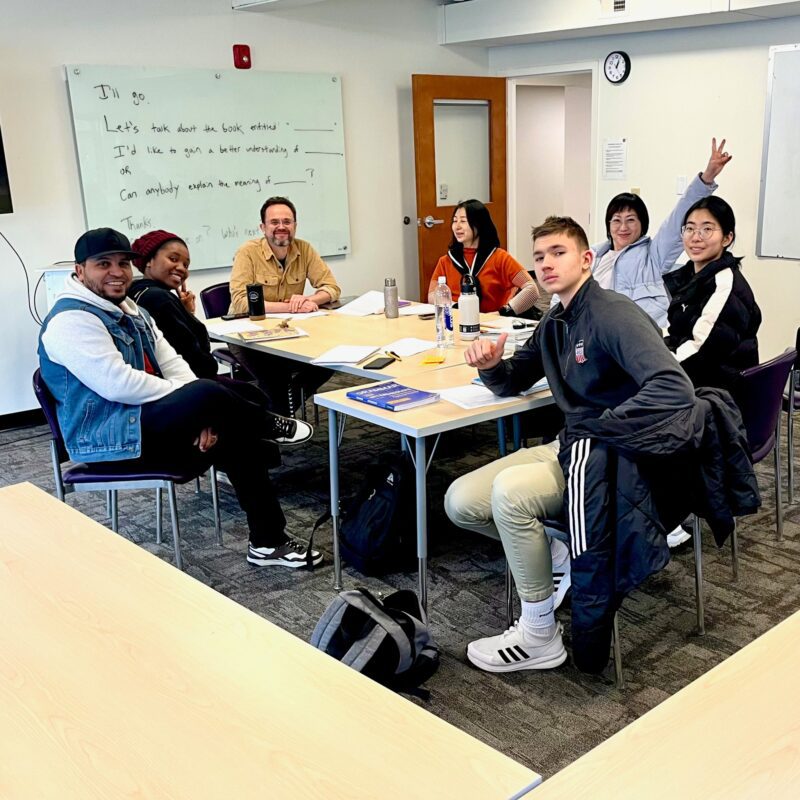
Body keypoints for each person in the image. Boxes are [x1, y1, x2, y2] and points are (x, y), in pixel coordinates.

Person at [447, 216, 698, 674]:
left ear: (586, 259)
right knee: (460, 501)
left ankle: (540, 633)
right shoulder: (555, 320)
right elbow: (512, 382)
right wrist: (490, 365)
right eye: (539, 256)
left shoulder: (611, 314)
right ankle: (555, 553)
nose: (546, 264)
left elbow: (674, 388)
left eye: (558, 253)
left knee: (511, 496)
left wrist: (606, 426)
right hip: (572, 446)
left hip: (614, 459)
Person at [38, 227, 321, 569]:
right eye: (103, 264)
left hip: (143, 423)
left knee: (236, 413)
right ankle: (267, 425)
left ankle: (267, 542)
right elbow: (119, 385)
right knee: (210, 393)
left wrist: (202, 413)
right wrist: (198, 402)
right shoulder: (71, 320)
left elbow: (175, 364)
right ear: (80, 270)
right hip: (107, 440)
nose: (116, 272)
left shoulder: (132, 311)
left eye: (123, 264)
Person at [552, 138, 733, 328]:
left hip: (641, 336)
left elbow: (678, 217)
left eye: (631, 220)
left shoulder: (653, 255)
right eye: (617, 220)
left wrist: (707, 178)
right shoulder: (593, 256)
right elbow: (563, 291)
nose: (623, 228)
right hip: (595, 334)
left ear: (642, 224)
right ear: (608, 224)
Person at [228, 196, 341, 415]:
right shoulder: (248, 252)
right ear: (263, 227)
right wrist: (289, 306)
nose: (282, 227)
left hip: (289, 331)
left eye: (287, 222)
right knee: (274, 374)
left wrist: (309, 300)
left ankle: (284, 408)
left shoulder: (305, 249)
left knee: (332, 357)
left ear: (295, 225)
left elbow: (332, 288)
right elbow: (241, 302)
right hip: (246, 334)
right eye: (274, 222)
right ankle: (278, 423)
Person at [664, 196, 761, 392]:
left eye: (707, 229)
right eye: (690, 228)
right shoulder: (691, 276)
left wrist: (655, 366)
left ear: (727, 238)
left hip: (717, 394)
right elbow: (679, 334)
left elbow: (701, 351)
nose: (696, 237)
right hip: (698, 379)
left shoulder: (725, 284)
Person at [427, 199, 540, 316]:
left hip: (494, 325)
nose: (457, 227)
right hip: (457, 321)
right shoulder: (446, 261)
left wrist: (503, 312)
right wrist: (456, 307)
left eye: (463, 221)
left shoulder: (500, 258)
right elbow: (432, 295)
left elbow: (532, 290)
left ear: (479, 224)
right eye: (455, 221)